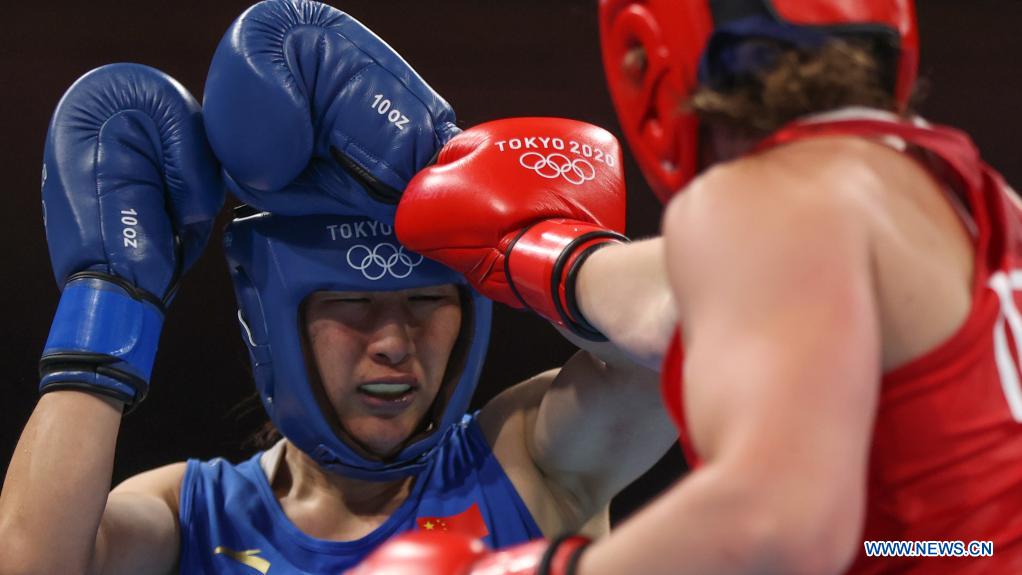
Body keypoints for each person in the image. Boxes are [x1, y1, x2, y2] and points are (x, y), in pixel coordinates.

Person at [0, 2, 677, 574]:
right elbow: (34, 558)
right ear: (274, 323)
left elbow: (690, 329)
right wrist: (112, 294)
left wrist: (541, 242)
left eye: (425, 302)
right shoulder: (193, 513)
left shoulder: (531, 457)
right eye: (352, 303)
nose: (392, 342)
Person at [347, 0, 1022, 573]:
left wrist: (535, 566)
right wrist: (544, 255)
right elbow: (692, 308)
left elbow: (780, 521)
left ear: (646, 53)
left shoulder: (772, 197)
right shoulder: (968, 196)